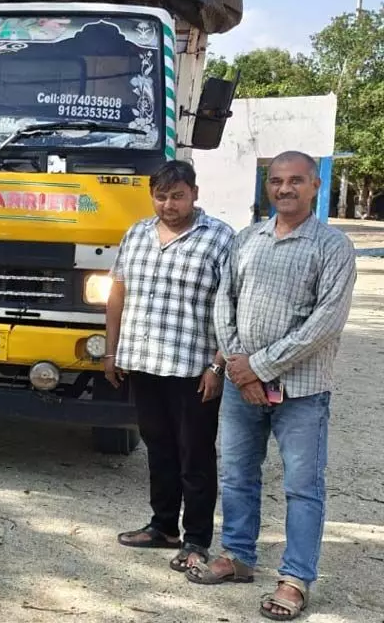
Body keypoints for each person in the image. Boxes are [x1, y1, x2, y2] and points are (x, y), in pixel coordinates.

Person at [187, 151, 356, 622]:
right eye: (277, 181)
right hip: (244, 388)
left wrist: (257, 367)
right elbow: (225, 303)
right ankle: (238, 556)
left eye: (296, 180)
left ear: (316, 185)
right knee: (238, 475)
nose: (285, 189)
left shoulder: (332, 247)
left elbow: (325, 322)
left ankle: (295, 578)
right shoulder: (246, 240)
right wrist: (242, 368)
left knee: (304, 487)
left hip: (302, 391)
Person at [105, 160, 234, 573]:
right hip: (143, 363)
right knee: (158, 450)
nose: (168, 204)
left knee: (194, 457)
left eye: (177, 195)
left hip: (193, 369)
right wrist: (111, 352)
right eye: (161, 196)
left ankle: (196, 539)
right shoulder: (137, 233)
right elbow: (117, 292)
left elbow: (230, 308)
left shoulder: (220, 239)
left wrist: (217, 366)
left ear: (195, 193)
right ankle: (163, 527)